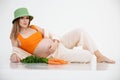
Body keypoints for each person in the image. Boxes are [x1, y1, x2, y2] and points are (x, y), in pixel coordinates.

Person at [10, 7, 115, 64]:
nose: (25, 21)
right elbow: (16, 53)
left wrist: (55, 42)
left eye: (27, 18)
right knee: (87, 56)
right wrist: (14, 57)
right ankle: (83, 53)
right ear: (17, 21)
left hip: (58, 43)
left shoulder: (34, 27)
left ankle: (100, 56)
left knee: (80, 31)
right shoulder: (16, 37)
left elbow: (52, 34)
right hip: (55, 54)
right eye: (22, 18)